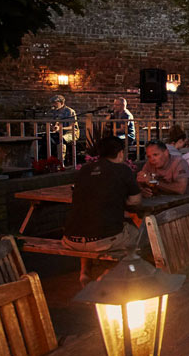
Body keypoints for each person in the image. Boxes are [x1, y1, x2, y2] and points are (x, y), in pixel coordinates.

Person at [62, 136, 143, 286]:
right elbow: (135, 201)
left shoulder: (85, 169)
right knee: (139, 235)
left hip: (70, 239)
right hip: (102, 241)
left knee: (89, 222)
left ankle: (85, 273)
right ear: (120, 153)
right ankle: (108, 275)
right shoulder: (122, 169)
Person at [48, 94, 79, 165]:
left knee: (61, 139)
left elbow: (73, 126)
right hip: (59, 132)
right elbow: (54, 123)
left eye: (55, 103)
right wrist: (52, 127)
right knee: (42, 137)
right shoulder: (55, 112)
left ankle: (61, 162)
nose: (53, 105)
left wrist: (61, 128)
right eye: (52, 103)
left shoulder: (70, 111)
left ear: (61, 103)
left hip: (71, 133)